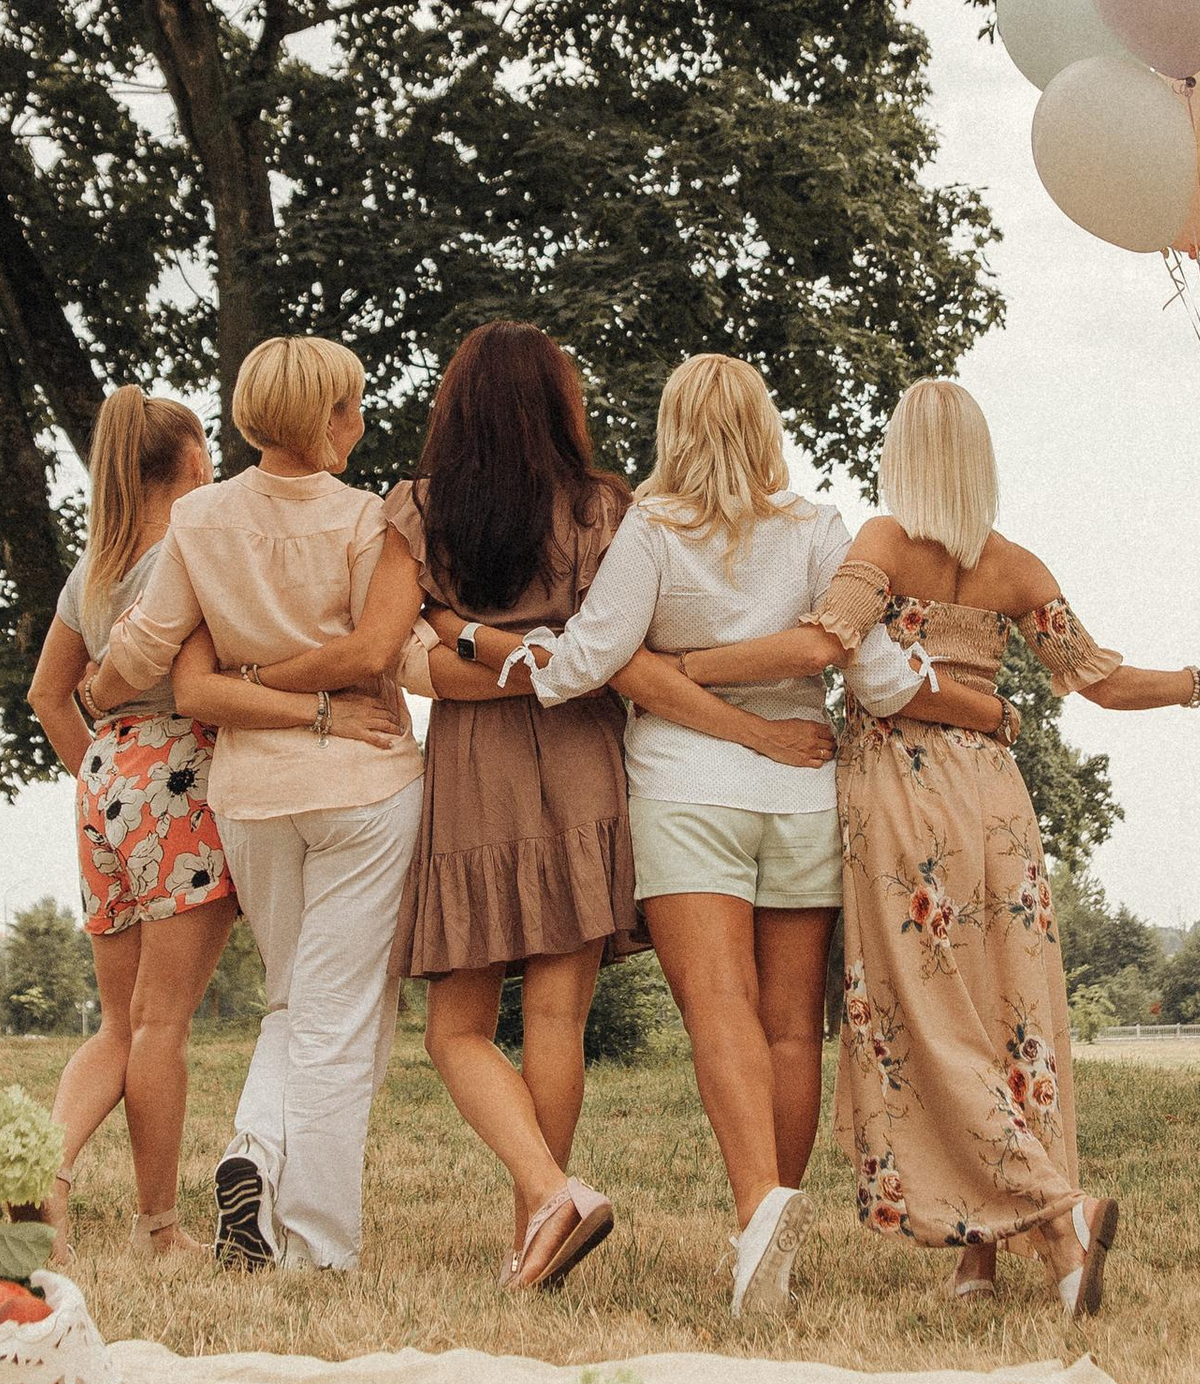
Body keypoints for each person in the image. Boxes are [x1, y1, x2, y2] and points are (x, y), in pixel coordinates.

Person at [681, 378, 1200, 1317]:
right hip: (995, 801)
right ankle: (984, 1257)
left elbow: (824, 643)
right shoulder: (1017, 568)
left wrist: (686, 667)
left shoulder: (882, 544)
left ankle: (1058, 1216)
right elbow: (1100, 682)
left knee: (927, 1022)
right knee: (1009, 1018)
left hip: (900, 799)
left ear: (904, 457)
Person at [449, 354, 1016, 1317]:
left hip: (684, 794)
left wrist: (475, 643)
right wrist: (977, 707)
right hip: (801, 792)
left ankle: (760, 1216)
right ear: (763, 428)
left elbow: (586, 662)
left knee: (722, 1020)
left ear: (675, 428)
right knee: (792, 1028)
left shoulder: (650, 533)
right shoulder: (819, 531)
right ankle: (771, 1228)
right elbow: (872, 674)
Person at [389, 322, 840, 1295]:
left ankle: (546, 1200)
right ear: (558, 406)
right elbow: (613, 660)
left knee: (456, 1025)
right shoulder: (602, 508)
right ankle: (545, 1216)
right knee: (558, 1014)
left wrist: (465, 639)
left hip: (478, 768)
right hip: (587, 760)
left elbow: (413, 651)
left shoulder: (418, 510)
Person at [86, 335, 424, 1275]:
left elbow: (151, 646)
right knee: (343, 1014)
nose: (359, 424)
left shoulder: (200, 519)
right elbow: (371, 654)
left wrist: (100, 690)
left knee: (294, 1001)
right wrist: (314, 697)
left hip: (254, 797)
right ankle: (315, 1242)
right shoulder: (368, 522)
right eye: (350, 408)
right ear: (323, 418)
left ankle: (254, 1156)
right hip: (363, 781)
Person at [24, 392, 236, 1258]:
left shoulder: (95, 572)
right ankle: (158, 1230)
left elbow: (47, 695)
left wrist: (109, 780)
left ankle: (47, 1173)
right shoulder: (188, 556)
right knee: (161, 1025)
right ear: (191, 463)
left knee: (119, 1022)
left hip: (104, 779)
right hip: (178, 779)